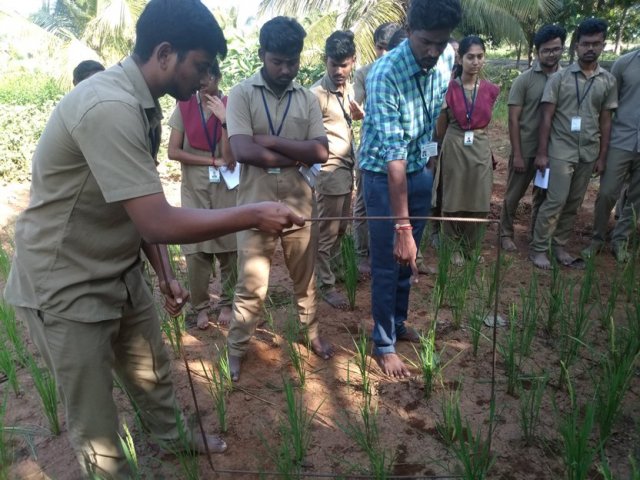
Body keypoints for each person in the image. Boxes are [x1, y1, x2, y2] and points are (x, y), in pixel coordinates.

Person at [3, 1, 302, 477]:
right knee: (95, 418)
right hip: (65, 286)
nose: (204, 80)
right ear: (165, 53)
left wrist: (164, 273)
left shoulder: (143, 103)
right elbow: (158, 220)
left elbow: (139, 203)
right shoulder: (109, 107)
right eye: (199, 66)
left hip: (118, 271)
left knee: (153, 371)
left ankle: (173, 440)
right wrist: (253, 213)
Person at [225, 16, 334, 381]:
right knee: (252, 284)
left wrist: (269, 141)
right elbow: (241, 149)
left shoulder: (306, 98)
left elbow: (321, 151)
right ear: (262, 55)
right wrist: (295, 154)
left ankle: (313, 333)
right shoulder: (242, 93)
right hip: (254, 208)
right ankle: (237, 347)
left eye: (293, 61)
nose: (286, 69)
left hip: (299, 204)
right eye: (278, 61)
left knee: (306, 277)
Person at [358, 0, 461, 378]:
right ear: (410, 30)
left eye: (440, 42)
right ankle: (383, 343)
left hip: (419, 171)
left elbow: (435, 117)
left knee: (409, 262)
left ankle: (398, 323)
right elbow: (393, 159)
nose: (432, 51)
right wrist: (401, 228)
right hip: (385, 179)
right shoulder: (385, 74)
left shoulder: (446, 57)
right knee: (389, 262)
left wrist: (430, 169)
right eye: (425, 42)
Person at [530, 18, 618, 269]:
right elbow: (546, 116)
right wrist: (542, 153)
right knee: (555, 200)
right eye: (585, 44)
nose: (590, 48)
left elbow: (606, 121)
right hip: (560, 149)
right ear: (576, 46)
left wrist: (602, 157)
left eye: (596, 43)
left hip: (588, 151)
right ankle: (538, 248)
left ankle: (559, 245)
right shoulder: (560, 79)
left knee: (573, 203)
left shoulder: (607, 81)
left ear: (603, 45)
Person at [168, 61, 238, 329]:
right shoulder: (184, 106)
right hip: (195, 189)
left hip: (225, 187)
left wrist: (224, 121)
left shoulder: (231, 105)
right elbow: (173, 151)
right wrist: (209, 162)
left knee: (229, 247)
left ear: (219, 78)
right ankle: (199, 306)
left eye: (209, 76)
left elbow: (229, 157)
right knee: (197, 251)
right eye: (200, 75)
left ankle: (228, 302)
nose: (204, 82)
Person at [499, 24, 566, 252]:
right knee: (513, 195)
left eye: (556, 49)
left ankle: (535, 233)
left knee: (543, 195)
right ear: (538, 52)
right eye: (546, 50)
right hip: (525, 149)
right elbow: (513, 119)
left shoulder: (567, 79)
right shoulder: (525, 80)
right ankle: (505, 233)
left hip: (554, 150)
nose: (551, 54)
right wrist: (517, 154)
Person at [435, 36, 500, 266]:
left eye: (480, 56)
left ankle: (472, 247)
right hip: (454, 145)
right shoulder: (448, 89)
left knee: (480, 197)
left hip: (480, 146)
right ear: (460, 59)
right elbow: (440, 129)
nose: (475, 62)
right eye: (470, 57)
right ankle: (452, 247)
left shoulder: (491, 90)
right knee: (453, 196)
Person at [311, 30, 363, 310]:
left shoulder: (350, 90)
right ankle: (325, 285)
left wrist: (359, 116)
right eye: (334, 64)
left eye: (344, 65)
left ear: (353, 61)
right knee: (328, 230)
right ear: (325, 61)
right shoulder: (316, 95)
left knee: (341, 227)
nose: (339, 70)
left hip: (347, 168)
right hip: (329, 170)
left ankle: (336, 271)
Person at [352, 22, 401, 277]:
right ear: (375, 47)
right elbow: (355, 104)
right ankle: (362, 253)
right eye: (381, 47)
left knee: (398, 203)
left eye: (389, 47)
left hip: (398, 151)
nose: (385, 53)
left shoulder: (406, 73)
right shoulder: (365, 73)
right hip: (372, 150)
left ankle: (390, 251)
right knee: (363, 202)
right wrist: (359, 111)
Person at [582, 48, 640, 262]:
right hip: (621, 139)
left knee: (636, 199)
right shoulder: (625, 63)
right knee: (607, 193)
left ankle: (620, 241)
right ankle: (596, 239)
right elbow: (608, 106)